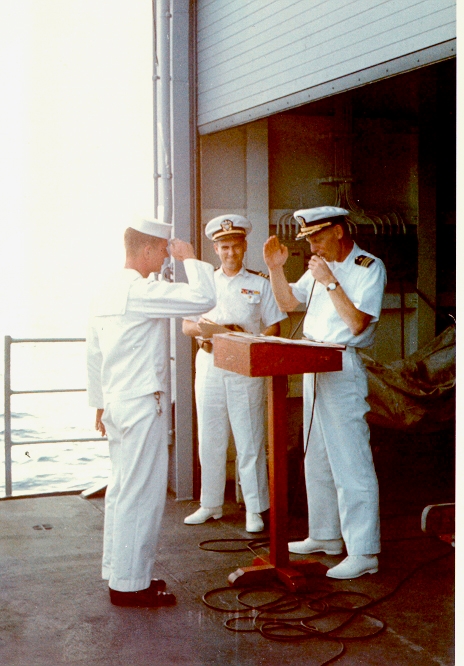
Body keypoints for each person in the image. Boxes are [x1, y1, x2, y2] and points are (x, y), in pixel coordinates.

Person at [87, 216, 216, 607]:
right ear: (146, 250)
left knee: (124, 489)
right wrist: (192, 259)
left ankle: (120, 570)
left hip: (118, 403)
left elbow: (93, 352)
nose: (165, 258)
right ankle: (130, 586)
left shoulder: (106, 289)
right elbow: (203, 299)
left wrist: (99, 402)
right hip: (143, 403)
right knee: (141, 493)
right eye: (162, 251)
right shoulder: (138, 291)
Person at [263, 206, 386, 579]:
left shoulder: (368, 267)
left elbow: (357, 322)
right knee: (315, 455)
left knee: (351, 460)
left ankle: (364, 552)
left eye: (317, 237)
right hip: (313, 363)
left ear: (337, 231)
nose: (312, 245)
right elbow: (287, 303)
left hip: (342, 365)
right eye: (308, 239)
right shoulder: (320, 263)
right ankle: (326, 534)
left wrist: (330, 281)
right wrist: (275, 268)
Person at [183, 214, 287, 533]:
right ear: (215, 249)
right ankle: (210, 503)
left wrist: (253, 340)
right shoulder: (204, 285)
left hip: (246, 366)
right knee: (210, 436)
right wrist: (205, 330)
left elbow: (274, 324)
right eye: (224, 247)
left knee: (250, 436)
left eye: (236, 246)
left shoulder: (259, 283)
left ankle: (256, 508)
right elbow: (187, 325)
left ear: (244, 247)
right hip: (210, 362)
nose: (230, 253)